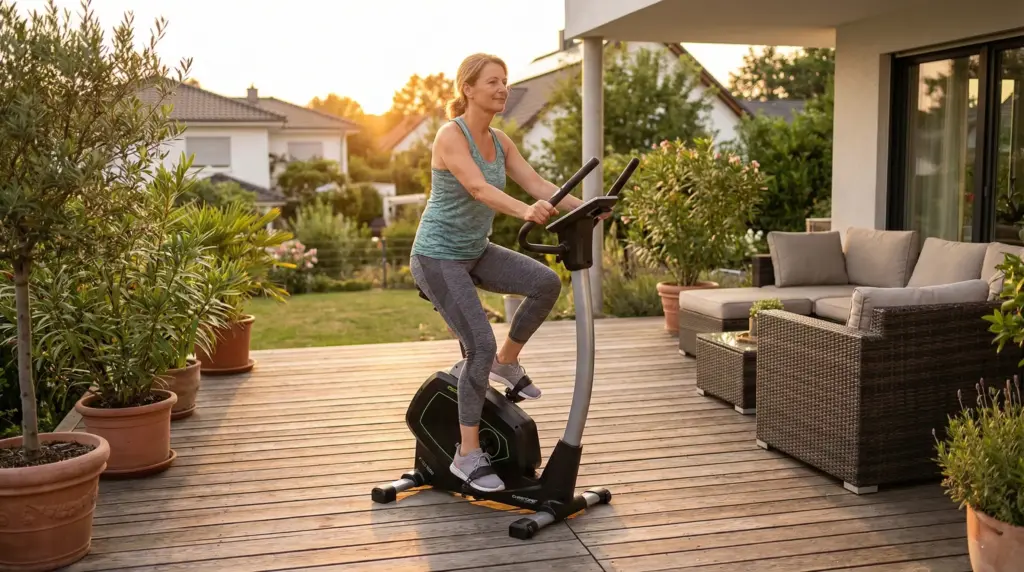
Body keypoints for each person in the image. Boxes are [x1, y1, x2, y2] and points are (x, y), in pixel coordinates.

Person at [410, 53, 603, 493]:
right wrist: (525, 212)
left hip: (474, 251)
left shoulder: (501, 140)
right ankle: (467, 455)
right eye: (493, 82)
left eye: (505, 82)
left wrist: (587, 208)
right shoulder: (449, 135)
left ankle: (508, 361)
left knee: (544, 283)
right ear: (468, 90)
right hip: (437, 257)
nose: (503, 89)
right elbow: (478, 188)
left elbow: (536, 184)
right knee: (478, 344)